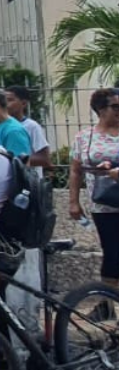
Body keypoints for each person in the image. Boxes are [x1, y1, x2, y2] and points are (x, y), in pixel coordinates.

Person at [69, 87, 119, 290]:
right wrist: (73, 201)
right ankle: (107, 302)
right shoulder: (85, 137)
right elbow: (75, 170)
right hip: (104, 204)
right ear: (100, 108)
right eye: (115, 106)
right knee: (111, 253)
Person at [4, 85, 51, 169]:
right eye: (4, 101)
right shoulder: (0, 126)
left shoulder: (31, 126)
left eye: (10, 100)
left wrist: (14, 159)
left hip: (27, 179)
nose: (6, 105)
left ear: (24, 103)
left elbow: (44, 159)